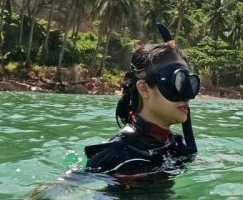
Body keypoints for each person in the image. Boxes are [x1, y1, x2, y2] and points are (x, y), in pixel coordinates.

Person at [85, 41, 199, 176]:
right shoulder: (118, 153)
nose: (188, 96)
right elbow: (70, 185)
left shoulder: (176, 145)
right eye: (178, 83)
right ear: (144, 89)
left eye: (189, 84)